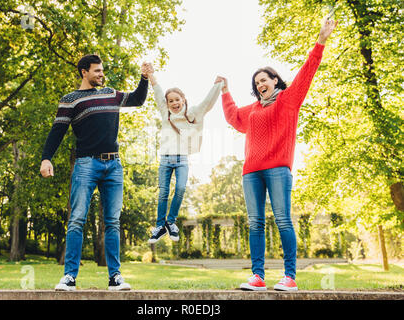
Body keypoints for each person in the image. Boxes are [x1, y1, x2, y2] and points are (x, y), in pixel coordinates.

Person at [219, 17, 337, 291]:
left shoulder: (288, 99)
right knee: (255, 223)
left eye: (264, 79)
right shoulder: (252, 110)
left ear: (275, 80)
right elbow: (234, 118)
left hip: (278, 170)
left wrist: (321, 40)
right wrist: (225, 90)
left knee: (283, 219)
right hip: (251, 172)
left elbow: (308, 71)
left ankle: (289, 277)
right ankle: (257, 276)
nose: (260, 84)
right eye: (256, 82)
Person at [40, 54, 151, 291]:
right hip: (85, 165)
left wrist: (144, 78)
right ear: (84, 72)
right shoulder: (70, 100)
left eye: (102, 71)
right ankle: (69, 277)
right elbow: (57, 131)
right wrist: (46, 158)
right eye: (97, 71)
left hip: (114, 165)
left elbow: (138, 99)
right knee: (77, 220)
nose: (101, 74)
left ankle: (115, 278)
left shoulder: (111, 94)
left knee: (112, 222)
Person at [145, 66, 224, 244]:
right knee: (163, 192)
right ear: (166, 103)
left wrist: (217, 85)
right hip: (165, 159)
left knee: (180, 189)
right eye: (170, 101)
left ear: (183, 99)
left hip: (182, 159)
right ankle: (159, 226)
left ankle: (170, 222)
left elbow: (207, 103)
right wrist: (150, 74)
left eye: (177, 100)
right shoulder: (165, 113)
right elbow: (157, 89)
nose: (174, 103)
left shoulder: (192, 113)